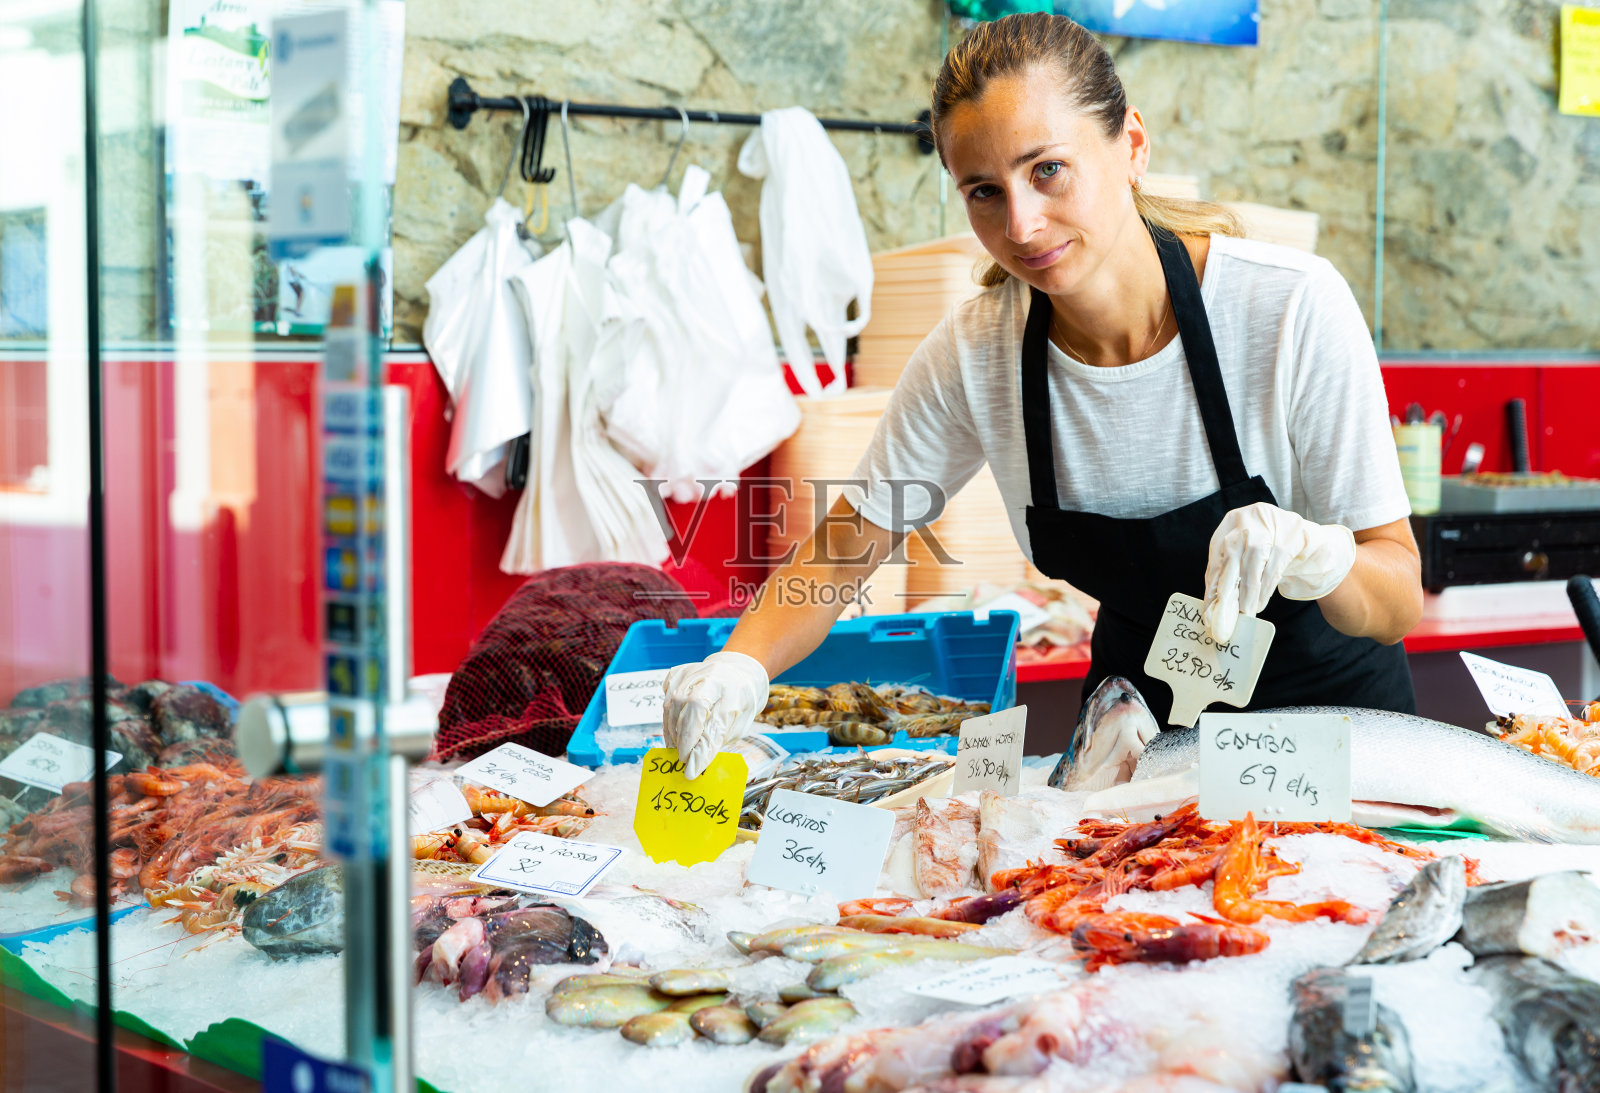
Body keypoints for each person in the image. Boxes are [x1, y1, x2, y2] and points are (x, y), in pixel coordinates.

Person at [663, 12, 1422, 780]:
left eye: (1048, 170)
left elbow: (1396, 597)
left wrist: (1321, 557)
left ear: (1131, 145)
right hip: (1135, 750)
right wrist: (740, 664)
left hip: (1332, 753)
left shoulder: (1287, 309)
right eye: (984, 191)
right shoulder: (977, 353)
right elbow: (844, 550)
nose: (1021, 224)